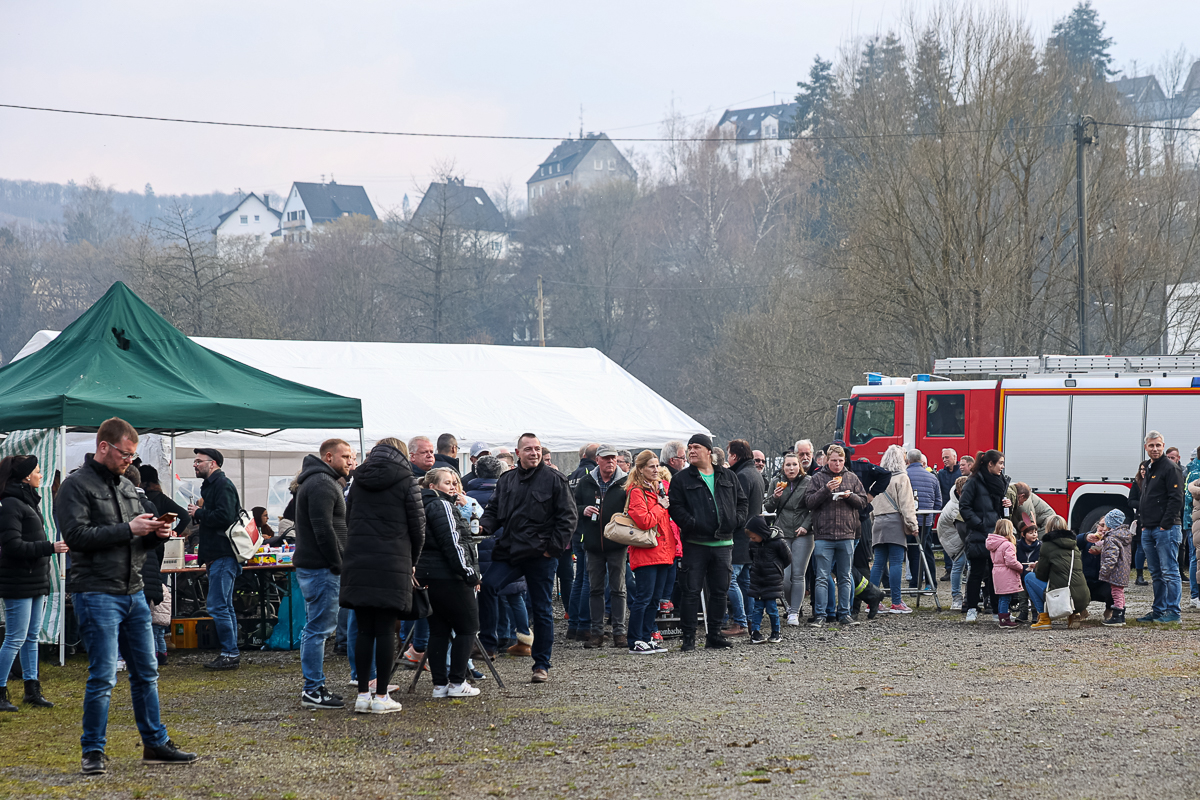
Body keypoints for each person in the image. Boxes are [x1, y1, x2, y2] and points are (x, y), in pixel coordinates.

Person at [55, 418, 196, 774]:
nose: (129, 461)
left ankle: (155, 743)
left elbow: (135, 539)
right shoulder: (75, 486)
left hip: (133, 591)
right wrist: (129, 528)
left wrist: (155, 534)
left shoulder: (126, 488)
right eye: (125, 454)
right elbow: (77, 537)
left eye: (133, 456)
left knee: (146, 672)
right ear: (104, 447)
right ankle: (93, 751)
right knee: (103, 675)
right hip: (97, 591)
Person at [479, 433, 577, 683]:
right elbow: (493, 510)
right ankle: (488, 645)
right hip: (510, 551)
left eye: (537, 449)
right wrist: (482, 526)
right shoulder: (507, 479)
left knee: (542, 608)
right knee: (488, 587)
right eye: (529, 449)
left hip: (540, 555)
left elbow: (568, 518)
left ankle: (541, 664)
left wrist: (550, 550)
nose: (534, 453)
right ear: (517, 452)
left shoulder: (555, 479)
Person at [340, 437, 424, 714]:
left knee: (364, 629)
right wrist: (411, 561)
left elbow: (348, 518)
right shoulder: (407, 480)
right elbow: (418, 526)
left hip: (359, 559)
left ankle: (363, 693)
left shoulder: (357, 479)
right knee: (387, 630)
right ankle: (381, 696)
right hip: (393, 560)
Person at [0, 455, 69, 711]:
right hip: (18, 581)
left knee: (31, 637)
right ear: (26, 477)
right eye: (38, 471)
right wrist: (49, 547)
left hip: (36, 579)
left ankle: (32, 689)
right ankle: (0, 691)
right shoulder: (10, 504)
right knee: (15, 638)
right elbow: (12, 546)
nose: (41, 475)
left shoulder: (29, 503)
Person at [668, 434, 748, 651]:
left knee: (720, 592)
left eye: (696, 447)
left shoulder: (728, 476)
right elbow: (675, 507)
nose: (691, 451)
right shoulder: (681, 479)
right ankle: (689, 638)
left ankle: (714, 636)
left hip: (723, 544)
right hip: (695, 544)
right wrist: (692, 523)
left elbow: (742, 502)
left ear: (709, 451)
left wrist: (736, 521)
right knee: (691, 592)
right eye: (689, 447)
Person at [290, 439, 354, 708]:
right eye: (346, 456)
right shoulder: (321, 483)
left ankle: (313, 687)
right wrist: (337, 563)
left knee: (315, 629)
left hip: (318, 567)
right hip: (321, 568)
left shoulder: (320, 481)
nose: (351, 462)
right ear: (329, 457)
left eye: (352, 457)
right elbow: (323, 528)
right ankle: (313, 690)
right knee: (317, 630)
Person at [418, 468, 482, 700]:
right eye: (447, 482)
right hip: (448, 576)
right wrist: (470, 574)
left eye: (455, 481)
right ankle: (457, 681)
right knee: (467, 627)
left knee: (438, 631)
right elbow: (453, 543)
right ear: (433, 486)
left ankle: (439, 685)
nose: (454, 486)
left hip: (427, 576)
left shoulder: (420, 506)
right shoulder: (441, 505)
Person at [187, 448, 242, 671]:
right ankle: (231, 652)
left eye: (199, 461)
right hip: (219, 554)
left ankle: (230, 653)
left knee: (219, 606)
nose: (195, 464)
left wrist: (198, 513)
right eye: (195, 460)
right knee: (224, 606)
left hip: (222, 553)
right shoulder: (214, 485)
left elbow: (225, 517)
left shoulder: (221, 485)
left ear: (213, 463)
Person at [470, 457, 531, 656]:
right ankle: (521, 640)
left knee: (487, 596)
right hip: (509, 550)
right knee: (514, 596)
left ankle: (490, 641)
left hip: (482, 553)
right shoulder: (511, 493)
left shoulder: (468, 496)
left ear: (477, 471)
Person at [803, 444, 868, 627]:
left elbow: (863, 502)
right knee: (822, 577)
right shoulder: (817, 479)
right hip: (824, 535)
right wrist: (826, 489)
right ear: (826, 459)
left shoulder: (852, 478)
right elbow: (809, 502)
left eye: (840, 461)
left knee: (845, 576)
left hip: (847, 534)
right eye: (833, 461)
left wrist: (849, 496)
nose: (837, 464)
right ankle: (820, 615)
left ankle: (844, 614)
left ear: (844, 460)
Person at [621, 450, 676, 654]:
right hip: (646, 553)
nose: (656, 470)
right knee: (643, 597)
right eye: (651, 466)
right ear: (641, 469)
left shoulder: (657, 489)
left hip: (662, 552)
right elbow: (644, 521)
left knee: (654, 599)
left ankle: (646, 636)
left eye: (657, 466)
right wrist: (661, 506)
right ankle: (635, 639)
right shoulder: (636, 491)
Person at [576, 445, 629, 648]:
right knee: (595, 589)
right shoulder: (586, 482)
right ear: (597, 460)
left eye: (613, 458)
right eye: (606, 458)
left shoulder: (625, 482)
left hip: (617, 543)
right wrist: (583, 510)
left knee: (618, 589)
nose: (610, 462)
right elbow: (573, 505)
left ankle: (619, 632)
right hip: (593, 544)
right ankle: (596, 632)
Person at [1137, 431, 1185, 624]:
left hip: (1166, 529)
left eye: (1158, 445)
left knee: (1170, 571)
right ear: (1145, 447)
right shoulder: (1148, 467)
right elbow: (1146, 498)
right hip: (1149, 528)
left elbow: (1176, 499)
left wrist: (1165, 524)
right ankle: (1159, 611)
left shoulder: (1170, 468)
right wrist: (1143, 525)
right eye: (1151, 445)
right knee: (1156, 573)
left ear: (1163, 445)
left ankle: (1173, 613)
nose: (1155, 449)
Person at [957, 450, 1010, 623]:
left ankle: (996, 609)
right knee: (977, 573)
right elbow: (964, 507)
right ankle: (971, 608)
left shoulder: (999, 482)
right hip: (980, 534)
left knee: (996, 573)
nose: (1002, 467)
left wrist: (1006, 505)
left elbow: (997, 509)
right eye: (1000, 463)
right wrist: (979, 524)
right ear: (990, 464)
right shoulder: (973, 481)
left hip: (995, 534)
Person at [765, 453, 813, 626]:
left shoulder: (809, 482)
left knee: (798, 574)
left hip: (803, 533)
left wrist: (806, 525)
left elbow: (814, 508)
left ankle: (794, 613)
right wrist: (775, 497)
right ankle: (791, 606)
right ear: (783, 467)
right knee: (785, 576)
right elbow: (768, 507)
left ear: (799, 466)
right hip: (782, 531)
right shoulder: (775, 482)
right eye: (788, 465)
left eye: (794, 465)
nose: (791, 468)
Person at [869, 445, 918, 614]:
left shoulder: (877, 479)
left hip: (878, 522)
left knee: (878, 564)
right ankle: (896, 602)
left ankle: (872, 601)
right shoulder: (902, 478)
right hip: (895, 522)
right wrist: (913, 525)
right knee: (896, 562)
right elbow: (907, 505)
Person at [724, 439, 764, 637]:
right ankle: (750, 620)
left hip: (740, 536)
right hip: (752, 536)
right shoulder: (755, 474)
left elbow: (737, 509)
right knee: (746, 581)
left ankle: (739, 622)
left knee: (730, 580)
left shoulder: (740, 476)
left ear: (734, 456)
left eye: (728, 454)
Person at [1026, 516, 1091, 630]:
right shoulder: (1073, 545)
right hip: (1082, 597)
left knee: (1028, 578)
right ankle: (1073, 614)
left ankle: (1044, 618)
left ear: (1048, 528)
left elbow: (1041, 575)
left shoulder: (1046, 545)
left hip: (1062, 597)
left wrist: (1037, 567)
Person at [565, 443, 600, 641]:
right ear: (597, 459)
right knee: (587, 579)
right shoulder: (590, 474)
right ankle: (583, 624)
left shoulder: (572, 474)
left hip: (576, 533)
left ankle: (574, 625)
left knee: (579, 580)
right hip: (585, 532)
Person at [744, 516, 789, 644]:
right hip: (757, 581)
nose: (752, 540)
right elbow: (752, 557)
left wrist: (776, 568)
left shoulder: (778, 542)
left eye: (754, 537)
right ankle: (755, 632)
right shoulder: (753, 544)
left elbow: (787, 558)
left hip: (772, 582)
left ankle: (776, 631)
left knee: (772, 609)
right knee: (757, 609)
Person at [905, 450, 941, 591]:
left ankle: (915, 584)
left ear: (908, 461)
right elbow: (938, 502)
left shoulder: (904, 476)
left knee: (913, 551)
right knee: (927, 549)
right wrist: (931, 518)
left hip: (909, 520)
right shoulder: (932, 477)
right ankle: (931, 583)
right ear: (921, 461)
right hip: (926, 520)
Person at [1094, 509, 1133, 627]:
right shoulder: (1122, 536)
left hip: (1116, 570)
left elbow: (1111, 557)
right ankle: (1121, 614)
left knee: (1116, 592)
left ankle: (1117, 616)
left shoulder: (1112, 538)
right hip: (1123, 569)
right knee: (1120, 592)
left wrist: (1104, 570)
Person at [937, 476, 969, 610]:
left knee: (964, 564)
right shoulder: (956, 507)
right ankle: (956, 597)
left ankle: (968, 596)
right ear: (960, 492)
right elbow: (965, 527)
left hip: (954, 536)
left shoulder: (957, 502)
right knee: (959, 563)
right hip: (952, 538)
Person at [987, 519, 1024, 628]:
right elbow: (1010, 561)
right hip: (1006, 573)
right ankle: (1004, 620)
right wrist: (1020, 567)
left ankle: (1002, 617)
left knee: (1002, 597)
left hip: (997, 571)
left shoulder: (994, 544)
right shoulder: (1008, 544)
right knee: (1006, 598)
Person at [1183, 447, 1200, 609]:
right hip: (1194, 522)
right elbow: (1189, 499)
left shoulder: (1191, 471)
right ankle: (1195, 596)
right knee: (1195, 558)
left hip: (1192, 521)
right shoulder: (1196, 473)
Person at [1014, 522, 1040, 622]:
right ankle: (1023, 612)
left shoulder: (1039, 545)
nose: (1034, 534)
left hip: (1034, 574)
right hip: (1021, 573)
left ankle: (1035, 613)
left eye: (1035, 532)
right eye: (1030, 532)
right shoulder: (1017, 545)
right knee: (1022, 595)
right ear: (1023, 534)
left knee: (1034, 594)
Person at [1129, 462, 1148, 585]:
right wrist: (1143, 504)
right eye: (1141, 469)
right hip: (1141, 517)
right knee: (1140, 547)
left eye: (1144, 469)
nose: (1142, 471)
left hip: (1155, 517)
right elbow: (1130, 501)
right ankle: (1139, 575)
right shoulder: (1136, 484)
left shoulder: (1155, 482)